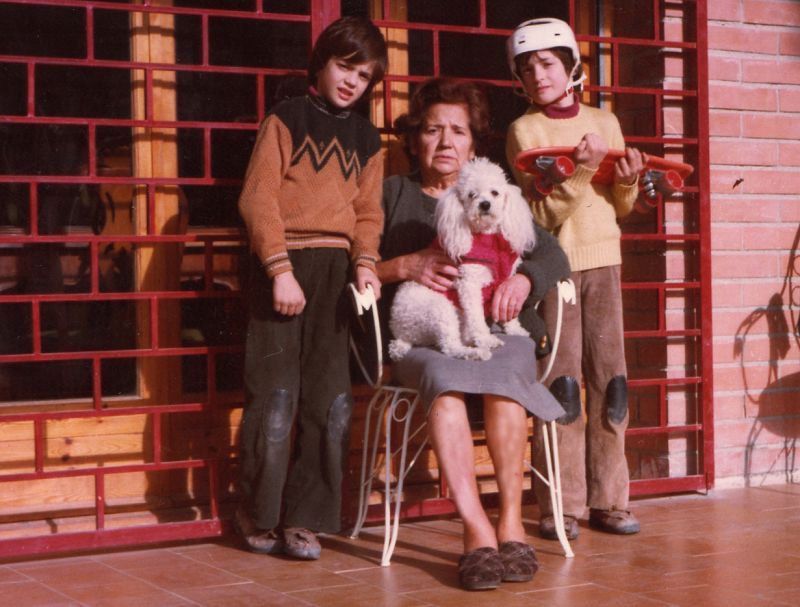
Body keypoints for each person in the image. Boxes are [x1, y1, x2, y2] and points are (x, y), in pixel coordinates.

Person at [378, 77, 569, 591]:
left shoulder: (500, 194)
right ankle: (476, 530)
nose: (445, 142)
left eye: (458, 131)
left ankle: (510, 520)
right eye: (433, 130)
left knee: (505, 371)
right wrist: (402, 266)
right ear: (415, 138)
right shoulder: (392, 195)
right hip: (427, 337)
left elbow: (551, 253)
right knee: (447, 378)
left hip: (496, 331)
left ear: (473, 142)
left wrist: (527, 277)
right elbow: (361, 265)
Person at [236, 16, 387, 561]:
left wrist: (366, 263)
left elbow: (368, 212)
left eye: (364, 75)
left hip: (337, 275)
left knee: (333, 402)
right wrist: (278, 268)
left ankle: (306, 517)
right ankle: (260, 513)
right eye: (344, 66)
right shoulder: (285, 119)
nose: (351, 81)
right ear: (322, 63)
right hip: (283, 268)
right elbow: (258, 198)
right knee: (276, 402)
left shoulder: (368, 138)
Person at [505, 18, 644, 541]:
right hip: (556, 268)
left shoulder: (604, 122)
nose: (537, 74)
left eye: (546, 63)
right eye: (526, 68)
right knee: (560, 388)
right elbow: (539, 218)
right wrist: (581, 171)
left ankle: (611, 499)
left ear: (571, 67)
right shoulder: (524, 131)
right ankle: (561, 505)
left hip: (605, 264)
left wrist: (626, 181)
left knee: (612, 385)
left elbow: (619, 207)